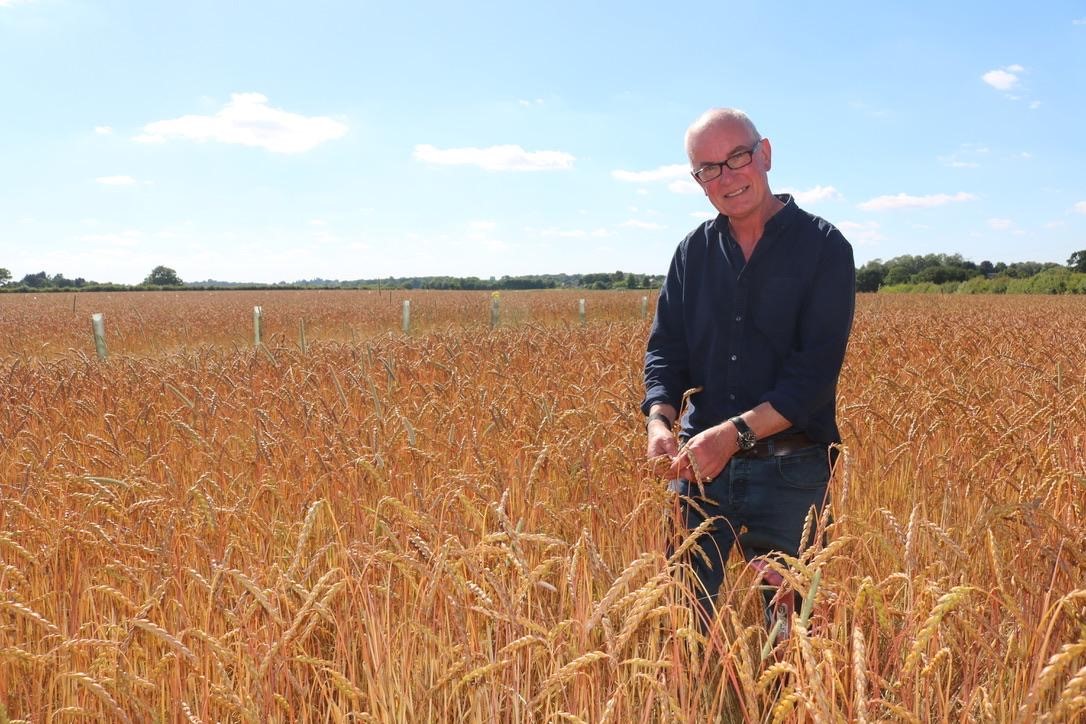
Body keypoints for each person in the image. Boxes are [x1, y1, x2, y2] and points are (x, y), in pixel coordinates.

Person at [642, 108, 855, 630]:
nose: (726, 177)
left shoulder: (824, 248)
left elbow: (813, 377)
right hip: (697, 473)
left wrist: (732, 436)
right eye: (708, 169)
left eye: (737, 157)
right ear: (698, 180)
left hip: (792, 473)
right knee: (683, 629)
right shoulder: (692, 253)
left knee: (793, 638)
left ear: (765, 154)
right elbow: (666, 351)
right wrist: (659, 422)